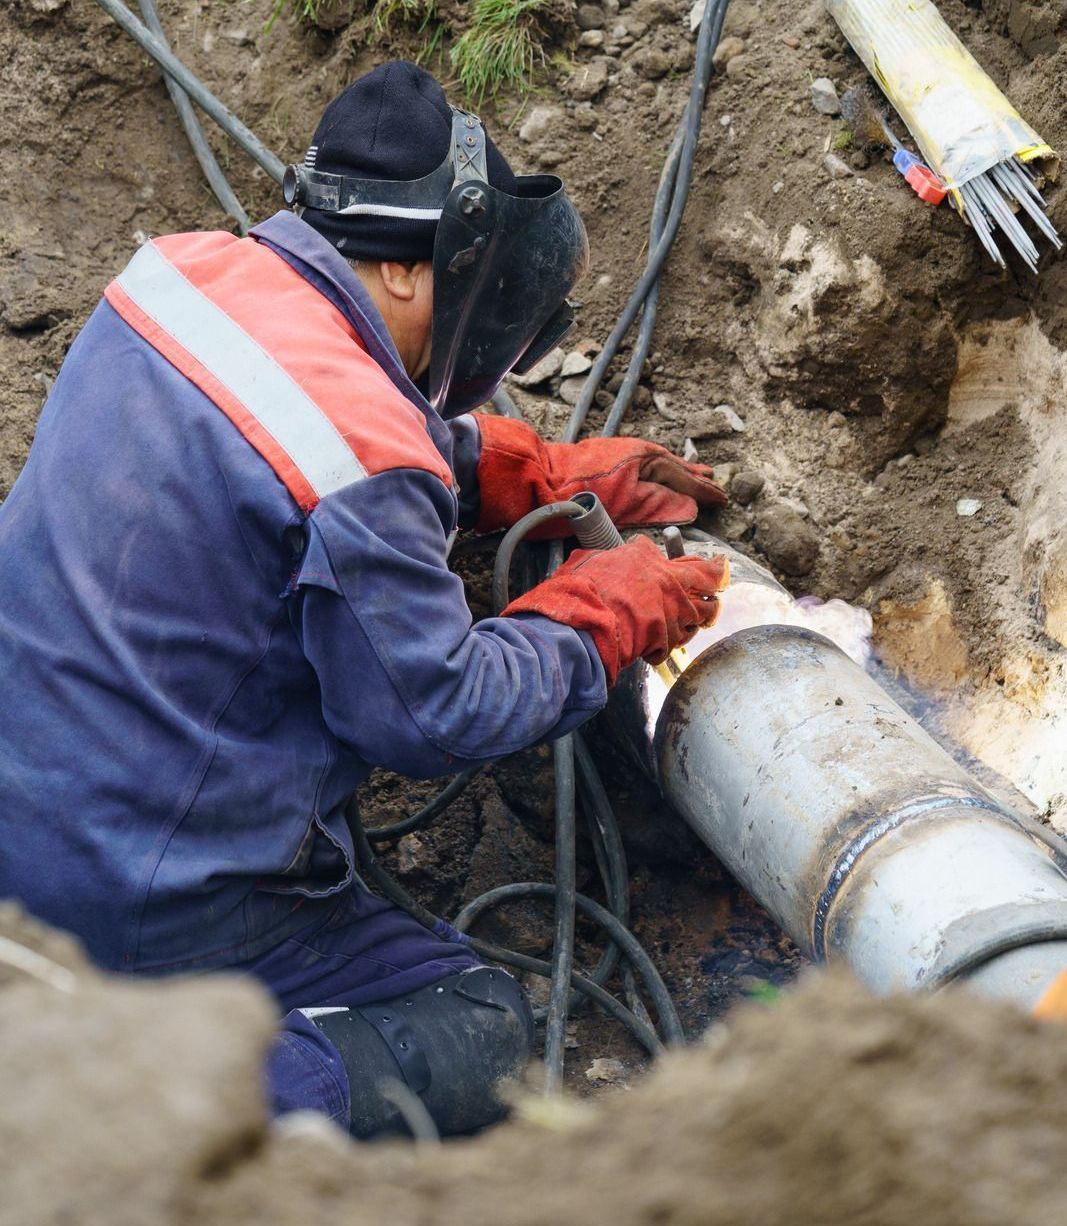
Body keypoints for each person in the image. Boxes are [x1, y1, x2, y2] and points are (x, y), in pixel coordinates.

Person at [0, 60, 728, 1137]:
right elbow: (436, 710)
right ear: (402, 270)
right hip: (143, 894)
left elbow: (301, 417)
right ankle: (127, 1109)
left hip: (29, 806)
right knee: (474, 1021)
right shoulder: (361, 459)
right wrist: (601, 611)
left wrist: (523, 470)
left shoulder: (178, 275)